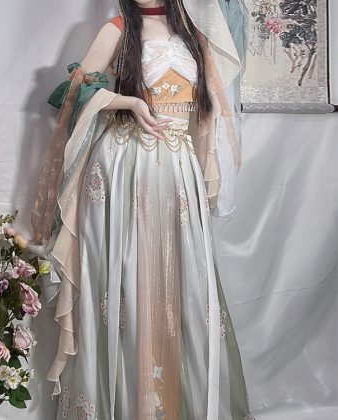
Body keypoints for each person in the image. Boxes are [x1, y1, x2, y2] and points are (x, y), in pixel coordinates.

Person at [29, 0, 255, 419]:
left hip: (178, 165)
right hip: (124, 164)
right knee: (126, 274)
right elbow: (73, 92)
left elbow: (211, 103)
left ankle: (172, 403)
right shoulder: (117, 29)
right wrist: (128, 103)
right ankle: (126, 404)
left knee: (180, 277)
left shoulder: (194, 32)